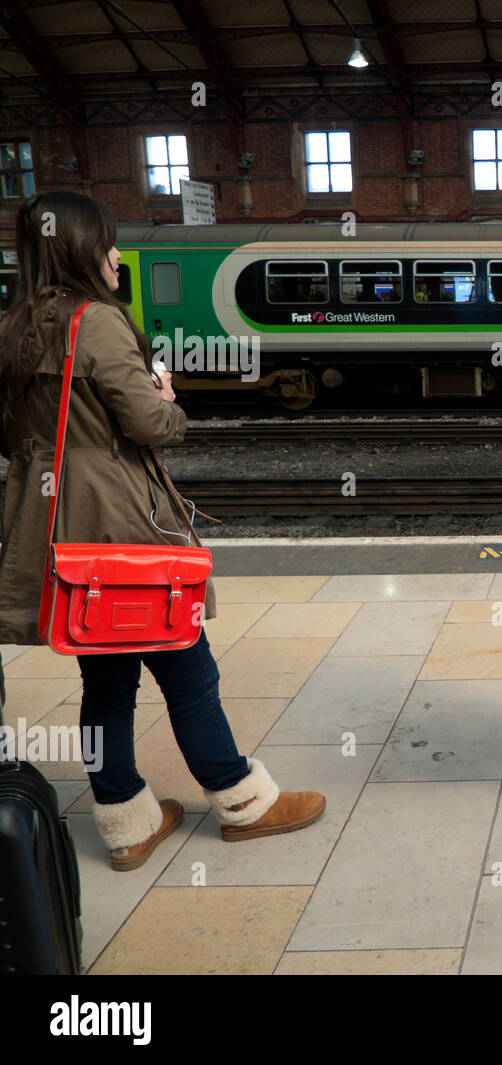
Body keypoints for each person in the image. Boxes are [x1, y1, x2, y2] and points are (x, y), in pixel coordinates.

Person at [0, 191, 325, 871]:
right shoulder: (98, 322)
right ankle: (242, 800)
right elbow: (148, 426)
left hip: (57, 528)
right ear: (82, 249)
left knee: (105, 679)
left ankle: (124, 819)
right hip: (119, 524)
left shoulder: (14, 327)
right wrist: (169, 405)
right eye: (109, 245)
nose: (118, 258)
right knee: (188, 666)